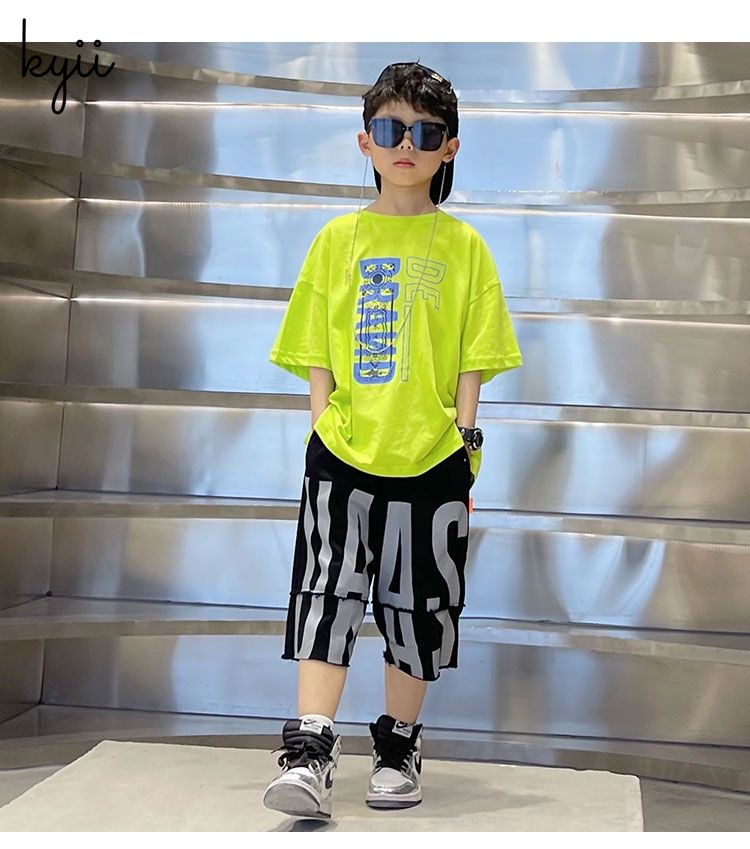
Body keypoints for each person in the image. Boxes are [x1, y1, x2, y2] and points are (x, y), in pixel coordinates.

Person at [263, 60, 523, 820]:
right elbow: (315, 342)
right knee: (326, 595)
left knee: (420, 605)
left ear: (451, 148)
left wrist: (464, 441)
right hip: (343, 450)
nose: (406, 144)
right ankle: (311, 751)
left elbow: (476, 354)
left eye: (426, 132)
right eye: (390, 128)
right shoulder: (337, 239)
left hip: (435, 457)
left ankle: (398, 746)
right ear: (365, 141)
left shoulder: (465, 247)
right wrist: (322, 421)